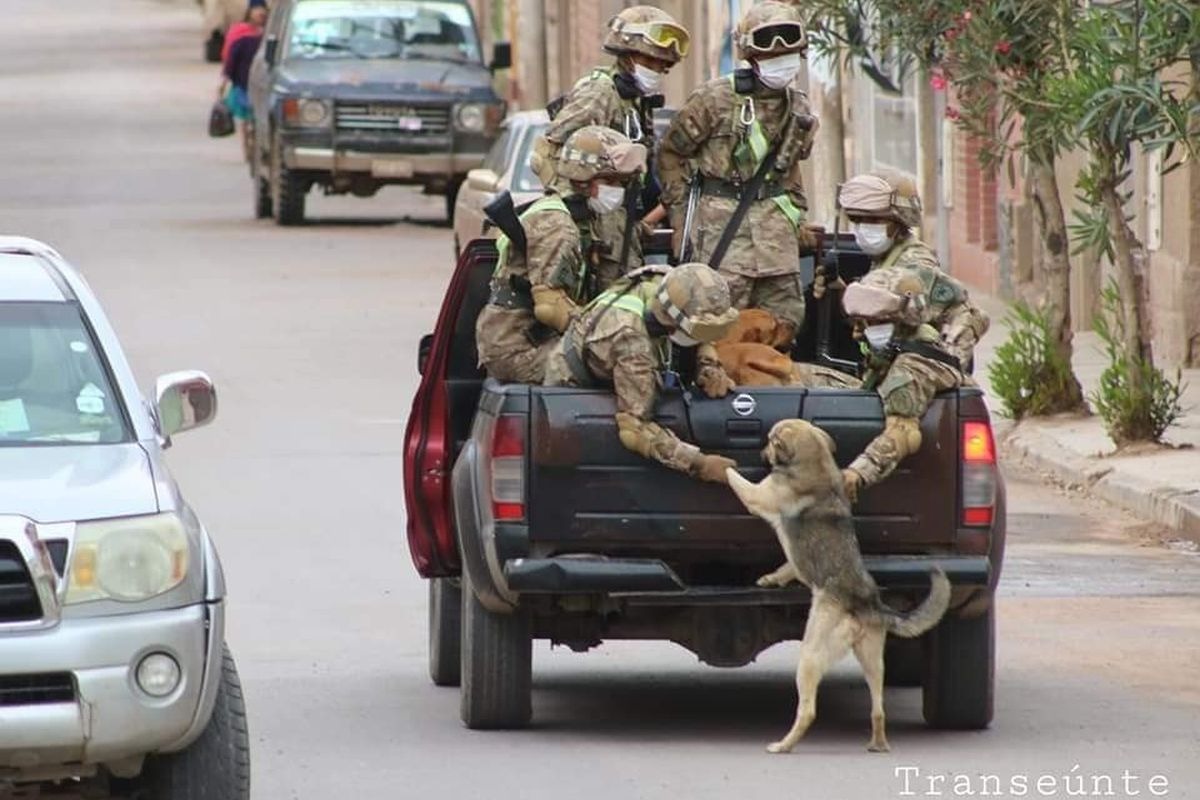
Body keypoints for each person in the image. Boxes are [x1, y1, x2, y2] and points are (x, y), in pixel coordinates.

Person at [658, 1, 818, 349]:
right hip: (720, 237)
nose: (780, 58)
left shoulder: (799, 108)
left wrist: (798, 219)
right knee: (715, 328)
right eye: (771, 52)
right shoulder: (714, 100)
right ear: (750, 54)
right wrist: (680, 219)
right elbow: (671, 154)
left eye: (788, 51)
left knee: (784, 325)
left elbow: (790, 171)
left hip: (777, 242)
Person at [836, 171, 991, 501]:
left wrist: (854, 476)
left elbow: (903, 433)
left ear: (898, 222)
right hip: (881, 367)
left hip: (914, 364)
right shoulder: (883, 260)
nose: (863, 228)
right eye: (857, 219)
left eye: (873, 220)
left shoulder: (914, 263)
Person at [529, 6, 690, 291]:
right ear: (627, 54)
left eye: (662, 66)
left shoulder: (636, 101)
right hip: (595, 224)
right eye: (649, 61)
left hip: (620, 222)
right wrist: (578, 214)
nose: (656, 70)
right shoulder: (600, 93)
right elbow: (546, 152)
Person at [475, 126, 647, 384]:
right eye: (610, 182)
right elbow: (550, 308)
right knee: (625, 364)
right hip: (518, 348)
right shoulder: (557, 225)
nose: (617, 190)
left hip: (541, 339)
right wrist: (603, 332)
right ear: (583, 180)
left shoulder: (587, 220)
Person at [544, 262, 740, 484]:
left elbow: (698, 326)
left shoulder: (669, 281)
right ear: (672, 324)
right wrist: (699, 464)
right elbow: (635, 431)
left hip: (612, 352)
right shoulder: (633, 346)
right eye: (703, 330)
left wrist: (708, 364)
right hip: (572, 394)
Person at [217, 1, 267, 159]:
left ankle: (258, 146)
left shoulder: (269, 36)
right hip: (243, 84)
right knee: (246, 119)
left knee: (259, 119)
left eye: (262, 10)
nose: (260, 13)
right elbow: (231, 61)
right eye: (257, 10)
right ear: (249, 12)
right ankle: (247, 147)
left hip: (262, 85)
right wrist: (224, 82)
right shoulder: (240, 34)